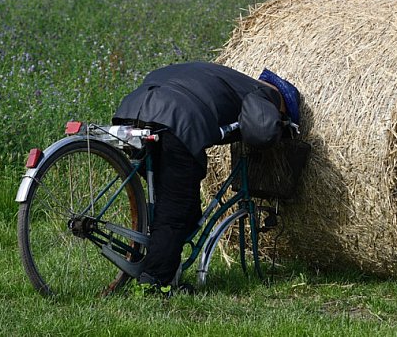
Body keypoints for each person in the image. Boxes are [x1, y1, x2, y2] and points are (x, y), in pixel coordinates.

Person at [111, 61, 301, 292]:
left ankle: (163, 264)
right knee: (176, 209)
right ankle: (156, 282)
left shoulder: (224, 77)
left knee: (175, 203)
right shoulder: (265, 94)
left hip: (133, 109)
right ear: (282, 106)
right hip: (176, 118)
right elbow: (263, 131)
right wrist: (279, 129)